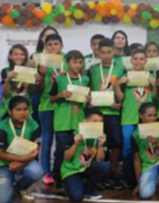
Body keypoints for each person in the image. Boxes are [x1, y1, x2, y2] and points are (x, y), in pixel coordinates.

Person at [0, 96, 44, 203]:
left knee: (37, 172)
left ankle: (19, 188)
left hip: (24, 162)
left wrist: (21, 164)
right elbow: (0, 154)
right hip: (2, 164)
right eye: (18, 110)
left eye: (25, 109)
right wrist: (23, 160)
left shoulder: (34, 125)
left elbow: (35, 149)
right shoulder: (0, 128)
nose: (22, 113)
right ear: (9, 111)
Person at [87, 37, 126, 189]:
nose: (105, 55)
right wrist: (89, 101)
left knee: (116, 141)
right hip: (96, 112)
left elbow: (123, 91)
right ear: (97, 52)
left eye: (109, 52)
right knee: (97, 143)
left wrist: (120, 104)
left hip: (113, 111)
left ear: (114, 52)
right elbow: (89, 89)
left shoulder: (120, 68)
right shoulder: (93, 69)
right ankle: (98, 173)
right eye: (102, 52)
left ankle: (112, 172)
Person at [117, 47, 156, 187]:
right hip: (128, 117)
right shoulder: (126, 76)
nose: (138, 62)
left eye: (141, 59)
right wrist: (118, 85)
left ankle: (146, 177)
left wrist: (155, 85)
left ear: (145, 61)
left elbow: (155, 97)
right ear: (131, 60)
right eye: (135, 59)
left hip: (146, 119)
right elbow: (121, 98)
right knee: (127, 148)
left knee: (146, 147)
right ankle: (128, 178)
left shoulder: (150, 75)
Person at [50, 50, 89, 184]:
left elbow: (89, 101)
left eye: (80, 62)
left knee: (77, 150)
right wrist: (60, 95)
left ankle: (74, 177)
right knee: (61, 152)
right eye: (74, 62)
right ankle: (58, 179)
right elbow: (51, 99)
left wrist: (89, 99)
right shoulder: (60, 79)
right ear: (67, 63)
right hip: (63, 122)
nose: (78, 65)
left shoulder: (85, 79)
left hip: (79, 121)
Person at [59, 106, 110, 202]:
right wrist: (76, 144)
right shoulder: (74, 134)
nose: (97, 124)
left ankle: (89, 189)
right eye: (94, 121)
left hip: (86, 167)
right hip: (71, 170)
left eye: (100, 121)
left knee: (105, 166)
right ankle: (68, 184)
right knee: (76, 197)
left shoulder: (101, 137)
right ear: (85, 122)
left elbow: (99, 160)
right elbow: (67, 157)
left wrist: (101, 146)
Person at [35, 32, 65, 184]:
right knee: (46, 140)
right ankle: (46, 172)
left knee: (61, 140)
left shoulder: (67, 60)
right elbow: (38, 89)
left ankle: (59, 171)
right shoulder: (41, 61)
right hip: (46, 105)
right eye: (50, 44)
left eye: (56, 44)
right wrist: (41, 73)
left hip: (63, 106)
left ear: (62, 46)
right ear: (45, 46)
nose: (53, 47)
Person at [0, 44, 35, 121]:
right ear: (10, 56)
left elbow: (32, 93)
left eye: (22, 54)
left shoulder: (30, 71)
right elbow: (6, 95)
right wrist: (8, 80)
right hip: (8, 110)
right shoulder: (5, 71)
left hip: (25, 110)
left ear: (25, 56)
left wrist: (36, 81)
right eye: (16, 54)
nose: (19, 57)